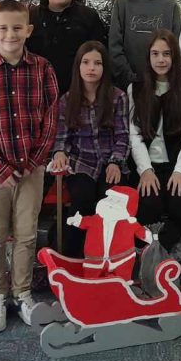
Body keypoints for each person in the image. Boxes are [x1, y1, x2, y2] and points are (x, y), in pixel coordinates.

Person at [0, 0, 59, 333]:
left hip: (31, 167)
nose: (11, 34)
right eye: (3, 28)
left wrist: (34, 161)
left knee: (26, 233)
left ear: (28, 30)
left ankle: (22, 294)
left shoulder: (43, 68)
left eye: (17, 28)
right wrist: (1, 168)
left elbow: (51, 118)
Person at [51, 41, 130, 258]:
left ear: (105, 67)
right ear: (78, 66)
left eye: (97, 63)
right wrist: (59, 152)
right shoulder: (67, 100)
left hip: (110, 161)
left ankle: (108, 257)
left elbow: (123, 136)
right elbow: (62, 137)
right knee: (82, 198)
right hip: (81, 162)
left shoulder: (118, 97)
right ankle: (73, 257)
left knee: (109, 200)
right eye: (86, 62)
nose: (91, 68)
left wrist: (115, 162)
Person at [129, 30, 181, 262]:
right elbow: (135, 135)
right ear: (148, 57)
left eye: (167, 54)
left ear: (174, 57)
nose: (161, 59)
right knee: (149, 203)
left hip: (177, 162)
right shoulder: (136, 89)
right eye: (155, 54)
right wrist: (145, 170)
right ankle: (147, 249)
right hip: (148, 164)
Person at [27, 0, 108, 94]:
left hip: (77, 90)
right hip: (37, 88)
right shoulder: (31, 17)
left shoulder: (88, 17)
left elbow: (99, 54)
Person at [68, 186, 152, 281]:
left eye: (118, 201)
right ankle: (90, 283)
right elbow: (85, 221)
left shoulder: (130, 223)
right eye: (110, 199)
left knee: (123, 274)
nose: (111, 204)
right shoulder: (96, 219)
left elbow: (141, 232)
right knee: (91, 273)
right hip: (95, 258)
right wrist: (76, 220)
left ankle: (122, 284)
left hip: (122, 259)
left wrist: (150, 237)